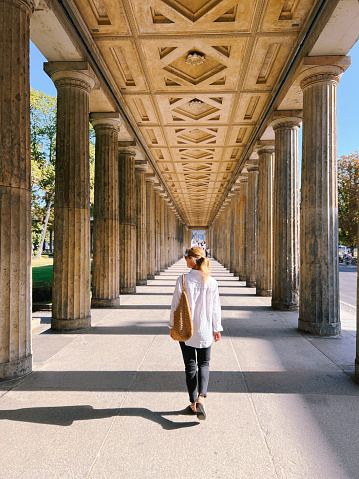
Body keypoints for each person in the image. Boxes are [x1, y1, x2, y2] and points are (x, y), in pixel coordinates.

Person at [169, 246, 222, 420]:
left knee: (190, 366)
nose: (185, 260)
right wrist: (217, 328)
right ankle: (201, 398)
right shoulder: (211, 281)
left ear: (192, 259)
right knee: (204, 364)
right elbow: (216, 309)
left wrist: (172, 326)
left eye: (186, 257)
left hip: (186, 329)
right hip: (205, 329)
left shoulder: (182, 280)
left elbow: (175, 306)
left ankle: (193, 403)